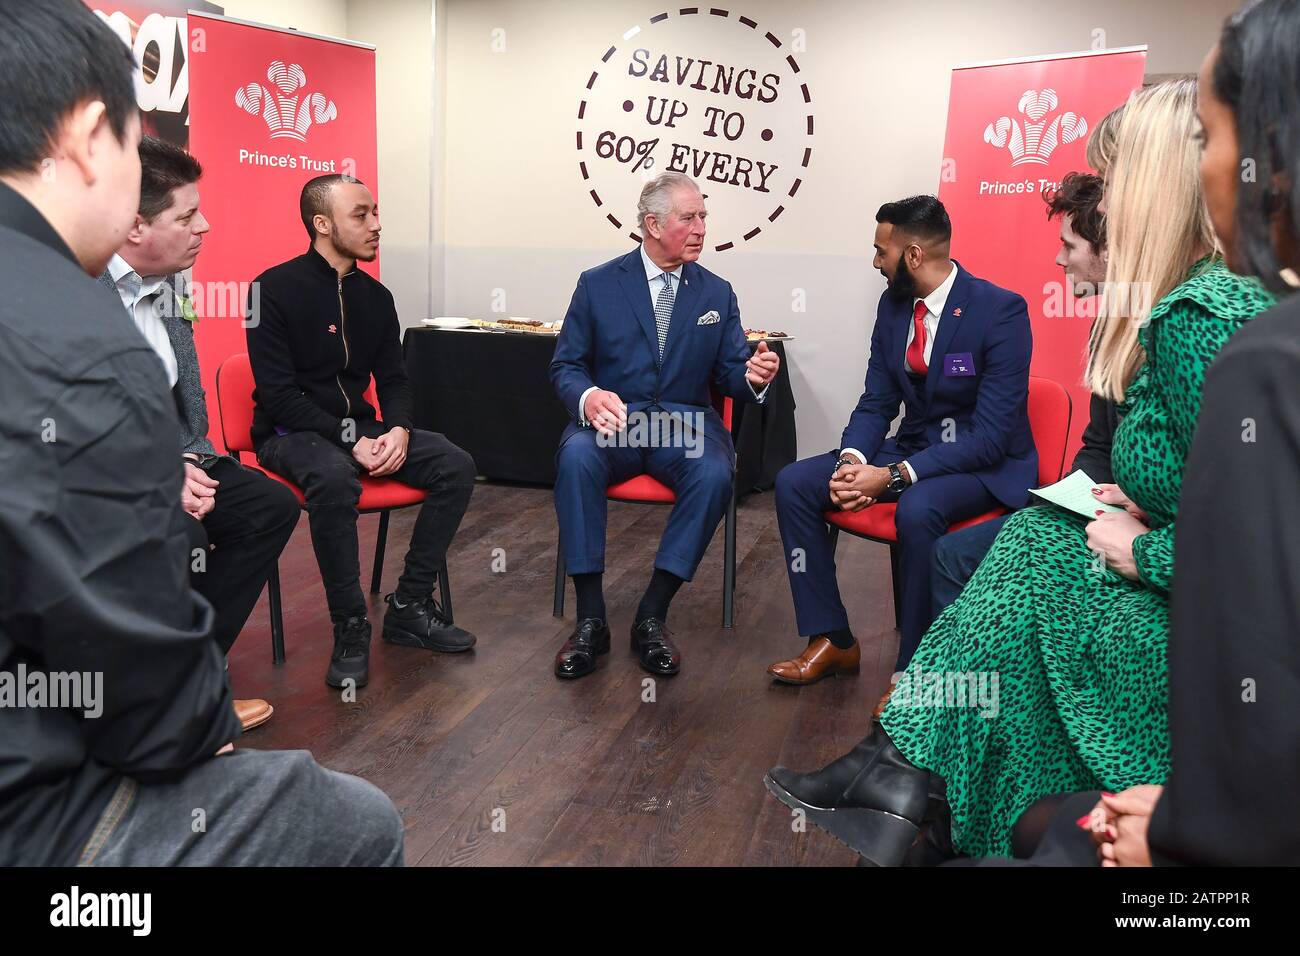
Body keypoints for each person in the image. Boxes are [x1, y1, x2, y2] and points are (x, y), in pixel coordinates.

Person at [764, 77, 1276, 865]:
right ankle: (896, 756)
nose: (1097, 207)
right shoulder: (1174, 307)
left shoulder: (1184, 318)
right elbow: (876, 399)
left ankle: (903, 768)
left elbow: (1262, 541)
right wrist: (862, 459)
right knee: (1025, 542)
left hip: (1193, 621)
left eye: (1113, 183)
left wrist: (1142, 547)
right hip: (1105, 537)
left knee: (1008, 543)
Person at [0, 0, 402, 866]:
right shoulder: (74, 336)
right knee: (362, 823)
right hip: (37, 813)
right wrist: (198, 724)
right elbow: (125, 666)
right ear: (86, 134)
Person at [988, 0, 1300, 868]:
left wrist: (1176, 830)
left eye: (1211, 136)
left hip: (1244, 772)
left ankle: (923, 777)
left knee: (1030, 572)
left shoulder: (1225, 327)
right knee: (1030, 548)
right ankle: (919, 772)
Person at [766, 195, 1035, 686]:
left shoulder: (999, 312)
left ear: (912, 255)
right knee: (795, 483)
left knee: (918, 508)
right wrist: (852, 461)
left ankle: (915, 673)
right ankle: (832, 638)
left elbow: (992, 436)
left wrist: (891, 477)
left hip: (983, 463)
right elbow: (877, 401)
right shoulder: (893, 307)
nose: (875, 262)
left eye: (880, 252)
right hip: (913, 446)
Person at [99, 135, 300, 731]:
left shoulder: (171, 279)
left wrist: (190, 460)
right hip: (98, 473)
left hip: (173, 455)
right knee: (181, 537)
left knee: (267, 507)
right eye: (187, 216)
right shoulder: (72, 294)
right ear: (136, 226)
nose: (204, 226)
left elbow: (180, 398)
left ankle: (188, 677)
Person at [247, 174, 478, 690]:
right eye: (361, 215)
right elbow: (280, 396)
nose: (376, 225)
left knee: (455, 464)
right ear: (322, 223)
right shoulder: (271, 290)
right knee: (333, 480)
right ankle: (350, 623)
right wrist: (350, 439)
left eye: (376, 212)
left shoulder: (376, 296)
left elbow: (394, 379)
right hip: (291, 432)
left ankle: (410, 605)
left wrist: (397, 429)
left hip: (365, 428)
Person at [549, 171, 780, 679]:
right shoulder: (598, 284)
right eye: (689, 217)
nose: (701, 228)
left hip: (684, 426)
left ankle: (652, 613)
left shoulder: (717, 293)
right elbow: (566, 366)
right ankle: (591, 619)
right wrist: (589, 398)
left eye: (704, 217)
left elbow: (729, 375)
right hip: (615, 422)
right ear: (652, 225)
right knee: (576, 456)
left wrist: (753, 378)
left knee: (716, 472)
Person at [930, 173, 1118, 616]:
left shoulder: (1165, 326)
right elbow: (1098, 449)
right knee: (952, 553)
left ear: (1108, 251)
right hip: (1101, 508)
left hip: (1140, 531)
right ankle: (950, 680)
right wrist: (1056, 505)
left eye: (1070, 246)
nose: (1059, 259)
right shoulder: (1110, 325)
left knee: (955, 553)